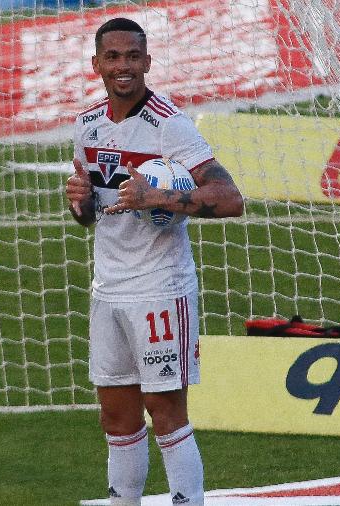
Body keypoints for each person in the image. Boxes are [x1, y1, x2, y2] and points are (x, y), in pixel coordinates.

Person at [65, 17, 244, 506]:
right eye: (113, 57)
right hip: (109, 290)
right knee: (117, 418)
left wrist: (157, 196)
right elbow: (92, 215)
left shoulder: (170, 125)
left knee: (166, 414)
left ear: (148, 61)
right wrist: (80, 201)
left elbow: (230, 199)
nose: (124, 66)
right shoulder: (86, 127)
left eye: (133, 56)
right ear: (97, 64)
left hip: (161, 289)